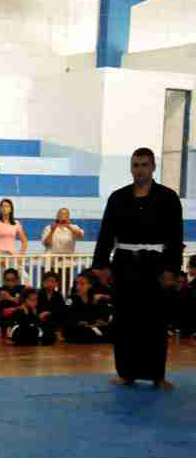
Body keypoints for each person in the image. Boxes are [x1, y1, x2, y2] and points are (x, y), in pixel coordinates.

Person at [93, 147, 183, 389]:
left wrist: (171, 269)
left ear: (153, 167)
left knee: (155, 321)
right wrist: (101, 265)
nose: (139, 170)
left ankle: (157, 375)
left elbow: (175, 237)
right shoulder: (117, 198)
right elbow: (106, 234)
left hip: (156, 265)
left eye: (144, 165)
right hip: (124, 263)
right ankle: (127, 373)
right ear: (131, 168)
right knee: (125, 321)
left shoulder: (168, 197)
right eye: (135, 165)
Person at [62, 272, 112, 344]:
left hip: (91, 327)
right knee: (70, 329)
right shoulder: (71, 299)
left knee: (109, 329)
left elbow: (102, 318)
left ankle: (95, 336)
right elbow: (67, 315)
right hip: (78, 327)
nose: (78, 287)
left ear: (90, 285)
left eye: (82, 284)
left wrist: (96, 321)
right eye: (77, 284)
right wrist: (81, 322)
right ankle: (97, 337)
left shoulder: (95, 298)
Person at [0, 267, 25, 337]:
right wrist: (0, 299)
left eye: (12, 280)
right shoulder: (0, 290)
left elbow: (25, 303)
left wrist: (10, 298)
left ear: (17, 280)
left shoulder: (22, 289)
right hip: (2, 314)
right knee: (3, 302)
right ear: (4, 280)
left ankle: (7, 327)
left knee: (12, 307)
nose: (10, 282)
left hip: (16, 313)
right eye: (8, 280)